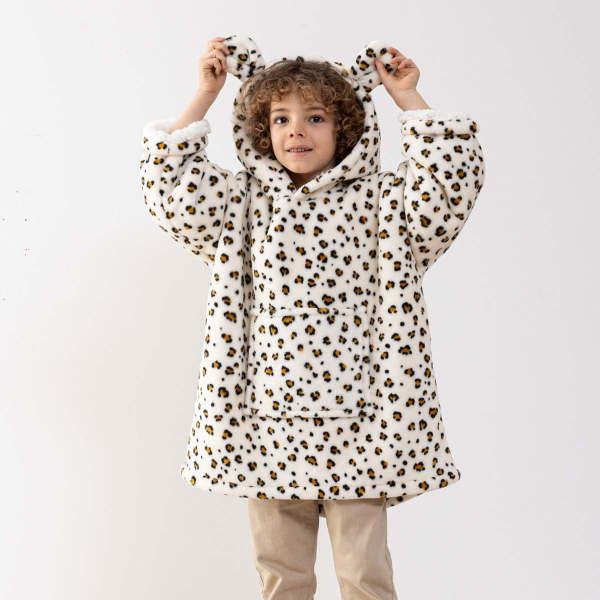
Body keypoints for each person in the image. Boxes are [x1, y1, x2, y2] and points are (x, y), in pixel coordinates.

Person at [140, 34, 486, 600]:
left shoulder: (385, 203)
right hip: (266, 427)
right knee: (282, 578)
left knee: (364, 576)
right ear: (261, 129)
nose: (296, 130)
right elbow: (168, 187)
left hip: (366, 428)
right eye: (281, 118)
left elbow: (449, 184)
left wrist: (407, 95)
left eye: (316, 117)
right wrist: (205, 94)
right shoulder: (240, 204)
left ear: (346, 126)